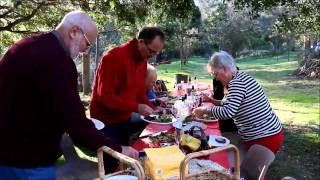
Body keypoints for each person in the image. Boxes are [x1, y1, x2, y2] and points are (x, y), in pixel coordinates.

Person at [0, 11, 137, 179]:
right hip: (29, 161)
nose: (85, 51)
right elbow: (76, 124)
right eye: (87, 44)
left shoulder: (25, 45)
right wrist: (120, 149)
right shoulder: (57, 61)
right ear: (74, 32)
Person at [90, 26, 165, 173]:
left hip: (124, 118)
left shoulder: (143, 62)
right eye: (151, 51)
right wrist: (136, 107)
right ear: (141, 42)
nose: (152, 56)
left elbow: (139, 92)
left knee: (123, 160)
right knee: (110, 164)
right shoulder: (114, 57)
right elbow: (104, 96)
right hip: (106, 122)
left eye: (156, 53)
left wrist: (154, 109)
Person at [193, 51, 283, 154]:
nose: (216, 78)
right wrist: (212, 101)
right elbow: (230, 103)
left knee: (227, 159)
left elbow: (228, 112)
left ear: (225, 69)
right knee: (230, 153)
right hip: (267, 133)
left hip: (264, 137)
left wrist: (206, 110)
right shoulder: (240, 77)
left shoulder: (237, 83)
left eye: (216, 74)